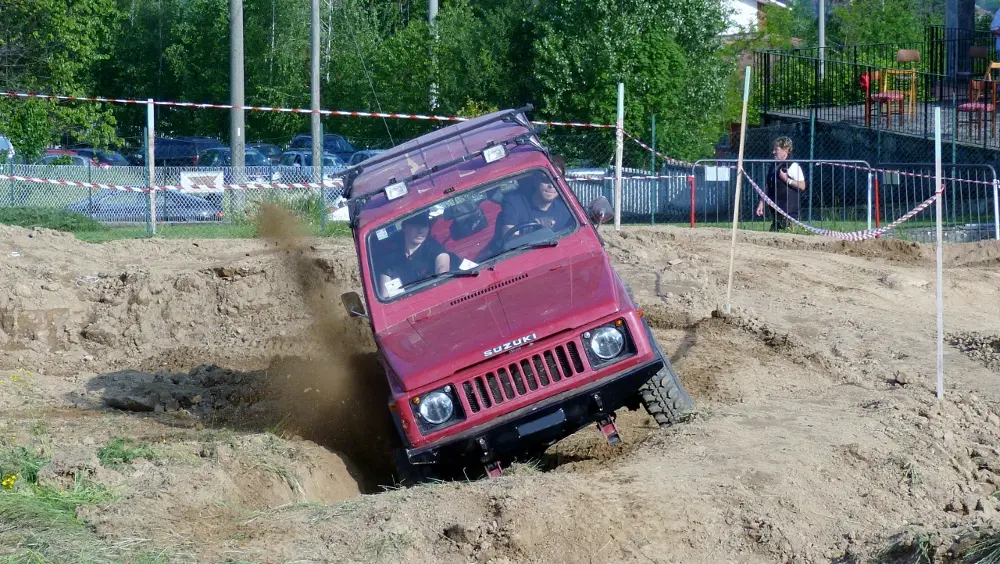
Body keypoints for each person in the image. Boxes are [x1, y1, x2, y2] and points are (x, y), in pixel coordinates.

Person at [377, 211, 451, 298]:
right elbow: (385, 296)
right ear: (404, 227)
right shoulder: (390, 259)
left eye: (424, 226)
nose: (420, 231)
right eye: (415, 225)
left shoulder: (435, 249)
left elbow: (442, 271)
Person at [494, 171, 573, 241]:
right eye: (545, 179)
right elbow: (509, 240)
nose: (551, 185)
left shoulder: (566, 210)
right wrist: (539, 233)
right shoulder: (514, 203)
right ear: (536, 180)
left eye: (556, 180)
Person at [755, 136, 806, 232]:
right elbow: (768, 186)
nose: (773, 152)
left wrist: (787, 179)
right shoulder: (773, 166)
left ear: (785, 150)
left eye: (776, 149)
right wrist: (761, 203)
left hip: (788, 212)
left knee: (788, 234)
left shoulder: (793, 166)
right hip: (775, 211)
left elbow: (802, 186)